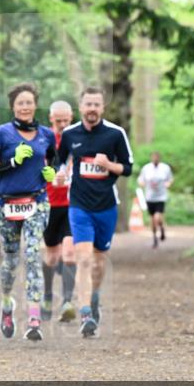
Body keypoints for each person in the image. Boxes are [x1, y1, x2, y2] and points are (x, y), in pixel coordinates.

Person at [55, 86, 134, 337]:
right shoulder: (70, 134)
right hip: (79, 205)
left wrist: (108, 164)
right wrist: (59, 173)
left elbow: (128, 167)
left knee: (99, 262)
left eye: (96, 104)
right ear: (81, 107)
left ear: (102, 107)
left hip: (106, 206)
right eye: (88, 104)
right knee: (84, 259)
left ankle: (94, 296)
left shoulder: (115, 134)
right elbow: (59, 161)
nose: (92, 109)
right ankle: (86, 313)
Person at [0, 83, 57, 341]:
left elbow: (53, 158)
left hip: (37, 201)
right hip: (7, 203)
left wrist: (51, 172)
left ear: (35, 105)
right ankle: (7, 304)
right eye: (20, 103)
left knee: (32, 254)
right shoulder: (1, 134)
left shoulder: (46, 134)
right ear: (13, 107)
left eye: (29, 102)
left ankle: (34, 318)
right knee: (10, 260)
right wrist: (12, 161)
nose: (25, 107)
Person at [42, 100, 77, 323]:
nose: (62, 124)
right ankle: (47, 295)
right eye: (58, 120)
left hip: (72, 204)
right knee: (52, 256)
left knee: (70, 253)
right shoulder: (44, 139)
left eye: (66, 120)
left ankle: (67, 302)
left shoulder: (77, 138)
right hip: (48, 204)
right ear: (51, 118)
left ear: (71, 118)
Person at [138, 151, 174, 249]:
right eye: (153, 157)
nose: (155, 159)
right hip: (150, 197)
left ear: (159, 158)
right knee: (152, 218)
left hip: (161, 197)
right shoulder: (146, 168)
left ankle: (161, 227)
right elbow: (140, 180)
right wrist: (143, 184)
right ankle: (155, 238)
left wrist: (168, 184)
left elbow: (170, 179)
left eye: (156, 157)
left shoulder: (165, 168)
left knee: (157, 217)